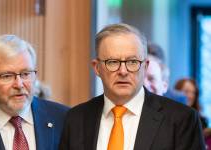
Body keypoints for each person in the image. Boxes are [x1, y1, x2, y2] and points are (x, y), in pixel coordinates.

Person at [59, 23, 205, 150]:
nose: (123, 71)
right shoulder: (76, 119)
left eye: (132, 62)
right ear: (97, 68)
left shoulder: (181, 120)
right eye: (113, 62)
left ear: (145, 66)